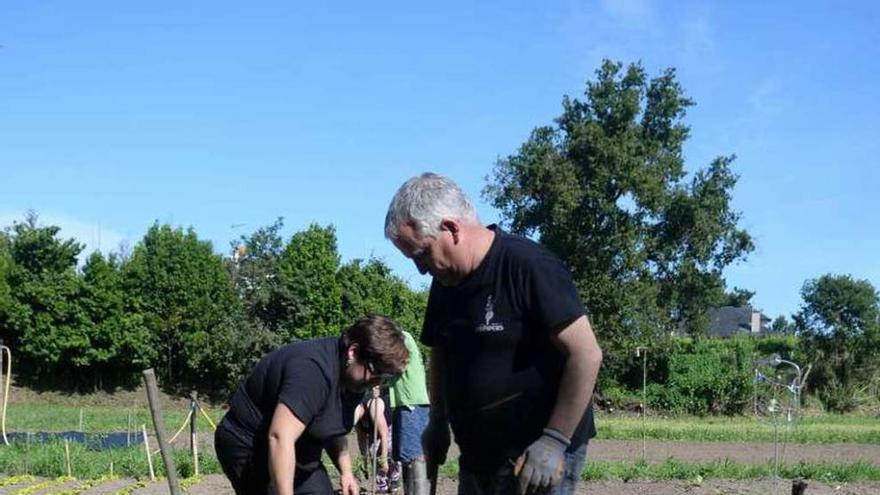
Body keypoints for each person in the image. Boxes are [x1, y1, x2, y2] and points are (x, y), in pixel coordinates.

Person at [385, 173, 603, 495]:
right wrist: (437, 422)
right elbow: (441, 353)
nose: (421, 268)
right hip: (477, 452)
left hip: (534, 454)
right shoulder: (445, 284)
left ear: (451, 228)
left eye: (422, 254)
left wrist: (554, 440)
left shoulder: (528, 265)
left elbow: (586, 353)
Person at [214, 315, 409, 495]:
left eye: (386, 377)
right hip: (251, 444)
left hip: (300, 448)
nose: (378, 383)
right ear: (353, 352)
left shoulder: (355, 380)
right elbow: (280, 436)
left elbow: (334, 424)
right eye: (378, 373)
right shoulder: (312, 370)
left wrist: (346, 471)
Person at [388, 330, 431, 495]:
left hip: (411, 402)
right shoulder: (400, 338)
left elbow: (399, 365)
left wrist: (379, 373)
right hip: (404, 402)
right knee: (404, 457)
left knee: (414, 457)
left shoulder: (402, 337)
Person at [353, 386, 399, 493]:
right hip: (372, 431)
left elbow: (384, 434)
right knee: (373, 453)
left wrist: (383, 459)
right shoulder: (356, 418)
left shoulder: (374, 407)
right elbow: (361, 437)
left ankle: (394, 478)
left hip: (388, 426)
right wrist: (364, 459)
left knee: (390, 452)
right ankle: (382, 487)